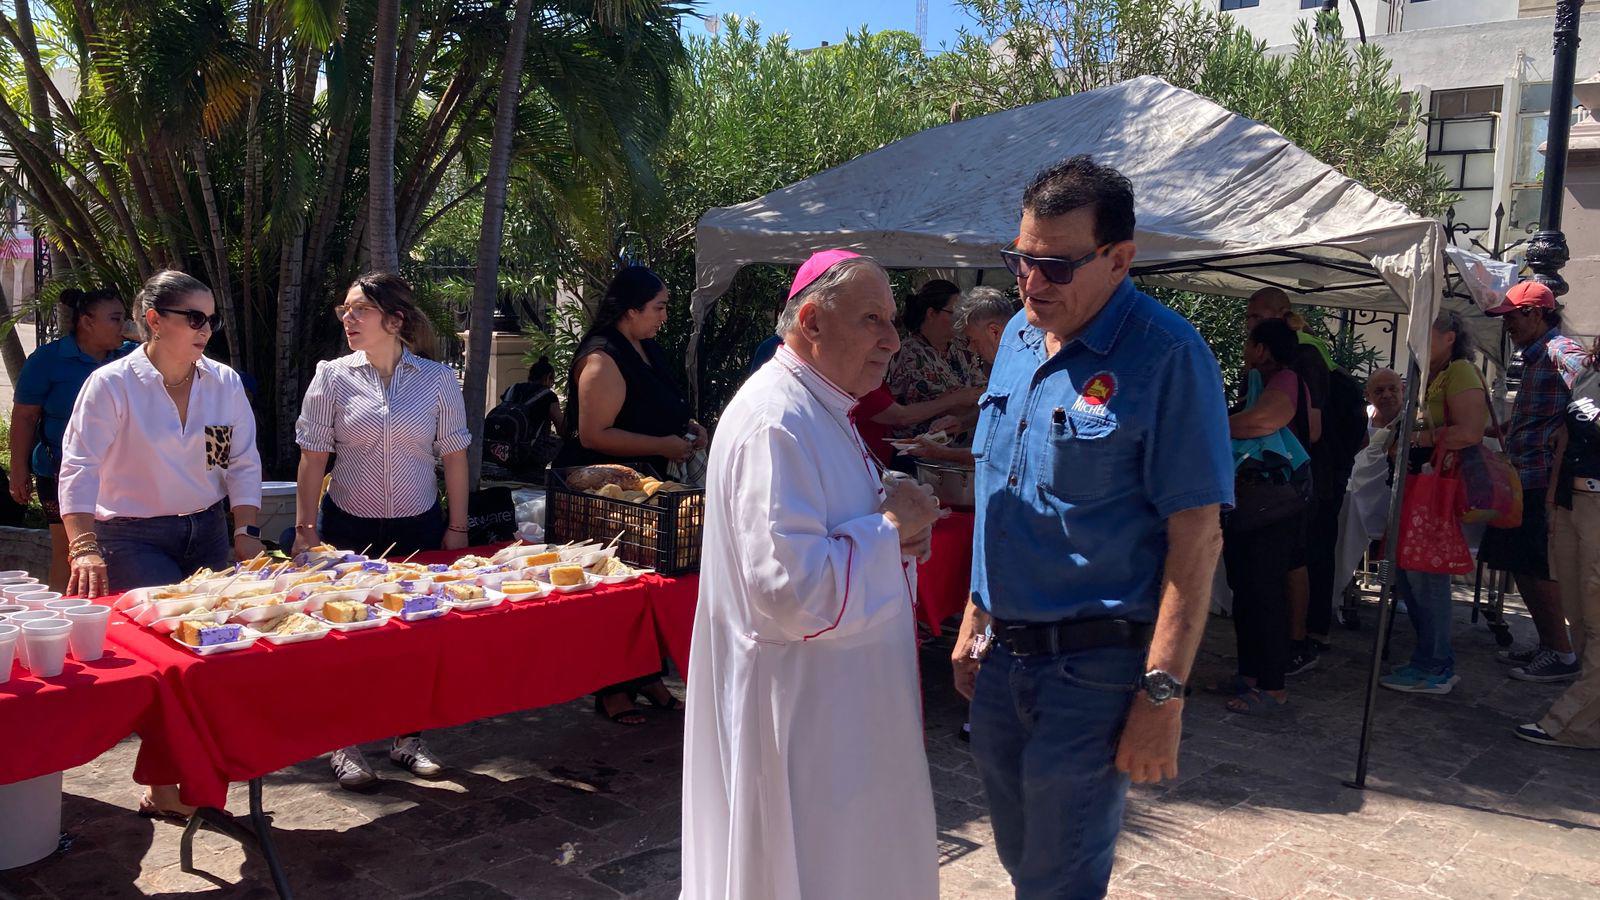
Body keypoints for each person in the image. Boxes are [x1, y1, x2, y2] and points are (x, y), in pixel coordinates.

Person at [952, 156, 1233, 896]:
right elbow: (1001, 490)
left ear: (1118, 259)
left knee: (1059, 880)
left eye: (1054, 265)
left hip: (1093, 672)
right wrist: (975, 614)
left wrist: (1162, 695)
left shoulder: (1168, 356)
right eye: (1020, 261)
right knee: (1024, 863)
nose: (1032, 282)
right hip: (1002, 658)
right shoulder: (1016, 337)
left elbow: (1196, 541)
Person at [680, 249, 943, 900]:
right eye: (873, 320)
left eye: (892, 321)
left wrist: (899, 531)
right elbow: (788, 591)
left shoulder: (821, 409)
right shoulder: (778, 419)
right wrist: (890, 533)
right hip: (801, 723)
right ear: (813, 321)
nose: (890, 339)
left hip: (839, 713)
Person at [57, 269, 263, 820]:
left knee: (210, 654)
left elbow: (239, 461)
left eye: (211, 319)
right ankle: (163, 783)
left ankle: (190, 773)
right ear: (153, 320)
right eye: (194, 318)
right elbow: (78, 465)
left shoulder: (222, 382)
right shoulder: (112, 384)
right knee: (169, 663)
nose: (206, 330)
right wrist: (84, 546)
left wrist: (246, 532)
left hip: (208, 530)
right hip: (133, 533)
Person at [292, 273, 472, 789]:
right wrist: (306, 528)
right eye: (344, 310)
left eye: (360, 311)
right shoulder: (331, 376)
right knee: (347, 637)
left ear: (394, 321)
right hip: (348, 526)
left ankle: (407, 738)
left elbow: (455, 457)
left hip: (419, 525)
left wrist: (457, 528)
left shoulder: (437, 379)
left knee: (415, 637)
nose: (348, 320)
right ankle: (344, 745)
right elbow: (312, 457)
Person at [554, 265, 703, 725]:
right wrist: (663, 444)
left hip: (647, 488)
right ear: (631, 309)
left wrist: (686, 428)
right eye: (658, 307)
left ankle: (647, 675)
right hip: (606, 492)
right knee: (617, 591)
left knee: (649, 588)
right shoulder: (603, 356)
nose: (664, 316)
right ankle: (612, 689)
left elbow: (657, 405)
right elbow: (594, 434)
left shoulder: (645, 347)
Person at [1482, 281, 1587, 684]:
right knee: (1519, 563)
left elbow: (1590, 394)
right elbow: (1544, 409)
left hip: (1541, 478)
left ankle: (1561, 653)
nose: (1506, 323)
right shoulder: (1535, 355)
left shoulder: (1561, 351)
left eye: (1512, 315)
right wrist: (1509, 427)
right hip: (1522, 473)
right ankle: (1549, 644)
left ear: (1536, 313)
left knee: (1536, 566)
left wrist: (1566, 432)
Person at [1379, 309, 1488, 695]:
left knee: (1427, 576)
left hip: (1436, 489)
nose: (1417, 341)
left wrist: (1419, 439)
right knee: (1412, 573)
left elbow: (1471, 430)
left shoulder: (1459, 372)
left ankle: (1436, 664)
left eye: (1426, 332)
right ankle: (1428, 658)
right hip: (1419, 485)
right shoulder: (1434, 374)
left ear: (1449, 337)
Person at [9, 288, 135, 590]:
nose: (124, 325)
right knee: (69, 552)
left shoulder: (131, 357)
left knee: (121, 551)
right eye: (115, 319)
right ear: (87, 322)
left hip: (120, 474)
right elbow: (25, 417)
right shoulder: (48, 359)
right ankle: (63, 623)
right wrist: (18, 469)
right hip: (59, 470)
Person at [1220, 319, 1313, 715]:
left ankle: (1272, 686)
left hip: (1272, 505)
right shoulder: (1259, 381)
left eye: (1249, 340)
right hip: (1255, 504)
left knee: (1264, 592)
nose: (1244, 347)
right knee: (1247, 590)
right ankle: (1252, 675)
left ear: (1262, 349)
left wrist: (1212, 428)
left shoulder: (1286, 380)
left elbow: (1263, 422)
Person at [1517, 341, 1600, 749]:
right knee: (1578, 614)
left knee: (1598, 611)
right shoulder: (1588, 375)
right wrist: (1552, 501)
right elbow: (1565, 438)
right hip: (1571, 502)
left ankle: (1569, 721)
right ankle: (1591, 722)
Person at [1244, 288, 1332, 675]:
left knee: (1289, 564)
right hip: (1267, 483)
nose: (1249, 326)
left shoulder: (1301, 359)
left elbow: (1309, 427)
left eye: (1257, 318)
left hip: (1287, 483)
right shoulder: (1259, 371)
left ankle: (1293, 645)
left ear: (1281, 316)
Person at [906, 287, 1020, 466]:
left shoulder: (1023, 372)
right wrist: (961, 422)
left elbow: (1000, 457)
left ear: (994, 332)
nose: (973, 349)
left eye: (974, 340)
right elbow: (995, 410)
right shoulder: (1007, 364)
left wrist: (943, 453)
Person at [885, 278, 984, 435]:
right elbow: (895, 412)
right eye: (955, 312)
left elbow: (982, 392)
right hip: (923, 449)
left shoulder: (961, 346)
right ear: (931, 313)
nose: (961, 318)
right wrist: (956, 400)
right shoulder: (909, 353)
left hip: (962, 445)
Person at [1366, 367, 1404, 437]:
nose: (1387, 395)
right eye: (1379, 391)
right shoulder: (1360, 419)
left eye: (1393, 389)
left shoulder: (1414, 420)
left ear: (1403, 390)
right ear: (1367, 395)